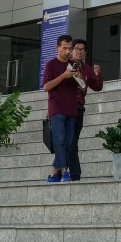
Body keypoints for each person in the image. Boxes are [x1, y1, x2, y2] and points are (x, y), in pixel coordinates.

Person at [43, 35, 79, 183]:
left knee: (70, 143)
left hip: (71, 107)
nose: (67, 51)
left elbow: (82, 86)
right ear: (57, 47)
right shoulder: (51, 65)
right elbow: (46, 87)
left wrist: (79, 76)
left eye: (70, 48)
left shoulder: (74, 64)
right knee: (60, 140)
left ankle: (53, 173)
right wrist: (63, 75)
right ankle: (65, 172)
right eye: (64, 48)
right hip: (56, 107)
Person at [68, 39, 103, 181]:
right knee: (68, 142)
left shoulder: (87, 68)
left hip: (78, 109)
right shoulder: (65, 65)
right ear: (71, 50)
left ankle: (65, 171)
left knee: (72, 141)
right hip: (65, 107)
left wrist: (98, 74)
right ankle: (73, 173)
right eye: (76, 48)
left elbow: (97, 86)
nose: (79, 51)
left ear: (85, 52)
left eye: (82, 49)